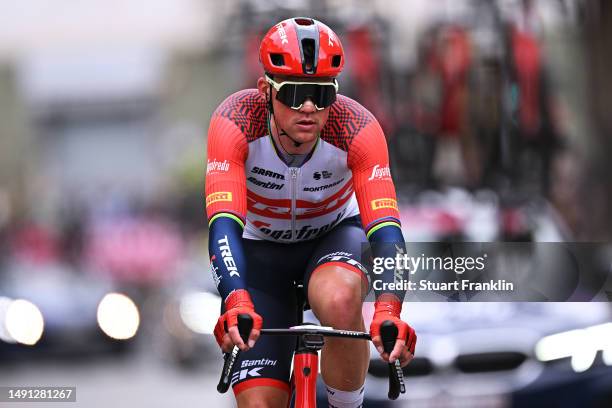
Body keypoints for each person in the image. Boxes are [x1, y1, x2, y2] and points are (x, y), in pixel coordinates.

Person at [206, 17, 417, 408]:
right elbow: (223, 224)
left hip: (333, 239)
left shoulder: (357, 128)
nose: (308, 107)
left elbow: (386, 231)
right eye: (295, 93)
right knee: (258, 404)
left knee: (339, 299)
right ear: (265, 91)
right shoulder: (235, 122)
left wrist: (389, 308)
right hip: (260, 253)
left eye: (321, 95)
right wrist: (235, 298)